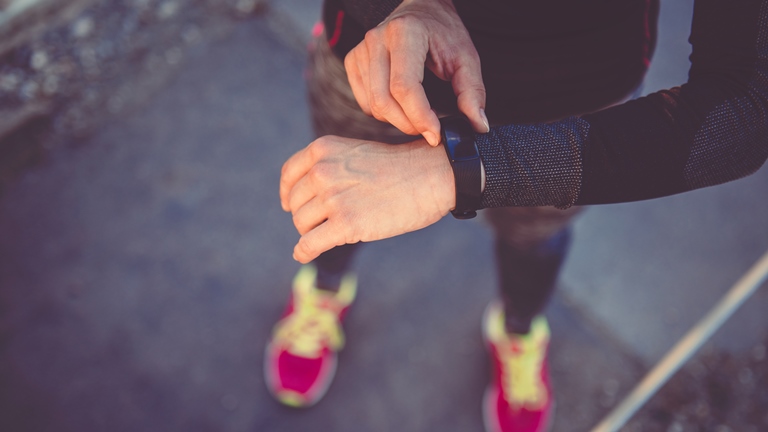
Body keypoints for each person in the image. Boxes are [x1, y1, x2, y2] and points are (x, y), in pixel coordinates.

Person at [265, 0, 768, 430]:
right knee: (339, 198)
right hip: (381, 50)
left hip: (573, 98)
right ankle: (325, 289)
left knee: (534, 238)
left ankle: (519, 328)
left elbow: (745, 106)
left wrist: (460, 172)